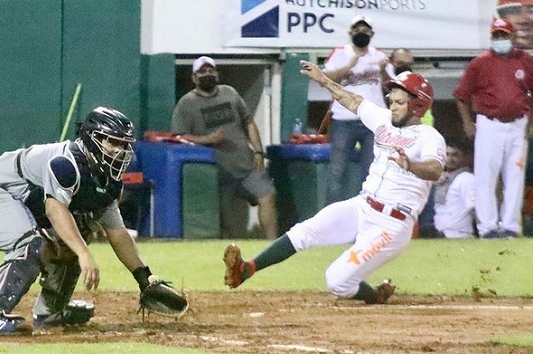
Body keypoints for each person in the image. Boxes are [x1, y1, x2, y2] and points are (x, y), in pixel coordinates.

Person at [222, 61, 446, 305]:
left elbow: (435, 169)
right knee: (303, 231)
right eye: (392, 100)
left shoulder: (429, 137)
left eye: (400, 102)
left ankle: (375, 295)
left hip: (391, 225)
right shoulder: (383, 119)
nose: (392, 106)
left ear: (417, 106)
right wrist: (324, 81)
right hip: (362, 206)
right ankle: (247, 269)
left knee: (337, 280)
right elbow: (352, 100)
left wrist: (411, 166)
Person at [0, 107, 172, 335]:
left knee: (79, 233)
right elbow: (55, 211)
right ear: (94, 139)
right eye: (113, 142)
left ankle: (50, 311)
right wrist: (84, 254)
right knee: (32, 244)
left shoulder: (108, 180)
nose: (120, 151)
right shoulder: (65, 163)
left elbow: (118, 233)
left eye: (124, 145)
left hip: (21, 201)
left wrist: (143, 277)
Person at [170, 56, 278, 240]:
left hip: (246, 166)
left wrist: (259, 151)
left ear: (217, 74)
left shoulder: (230, 93)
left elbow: (249, 122)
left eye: (211, 71)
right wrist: (208, 139)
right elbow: (179, 137)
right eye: (202, 72)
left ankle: (272, 243)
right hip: (217, 173)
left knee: (267, 196)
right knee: (225, 223)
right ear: (194, 78)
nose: (207, 75)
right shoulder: (186, 103)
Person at [454, 17, 533, 239]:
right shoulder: (480, 63)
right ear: (491, 37)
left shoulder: (525, 61)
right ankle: (487, 227)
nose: (500, 39)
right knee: (485, 178)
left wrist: (531, 122)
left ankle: (510, 226)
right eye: (497, 35)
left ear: (512, 36)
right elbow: (462, 95)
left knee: (515, 177)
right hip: (489, 125)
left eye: (504, 35)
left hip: (518, 125)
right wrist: (468, 123)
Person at [322, 15, 390, 204]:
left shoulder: (379, 56)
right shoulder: (340, 52)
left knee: (372, 170)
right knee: (337, 170)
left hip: (373, 119)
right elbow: (325, 80)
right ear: (350, 33)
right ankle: (331, 217)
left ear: (372, 34)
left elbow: (391, 88)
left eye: (366, 30)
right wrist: (349, 66)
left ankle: (368, 213)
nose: (362, 33)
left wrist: (384, 71)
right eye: (358, 30)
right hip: (344, 118)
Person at [418, 140, 476, 239]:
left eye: (455, 155)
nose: (449, 159)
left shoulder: (467, 178)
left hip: (459, 234)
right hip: (436, 233)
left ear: (464, 157)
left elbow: (475, 209)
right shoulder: (437, 179)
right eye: (447, 154)